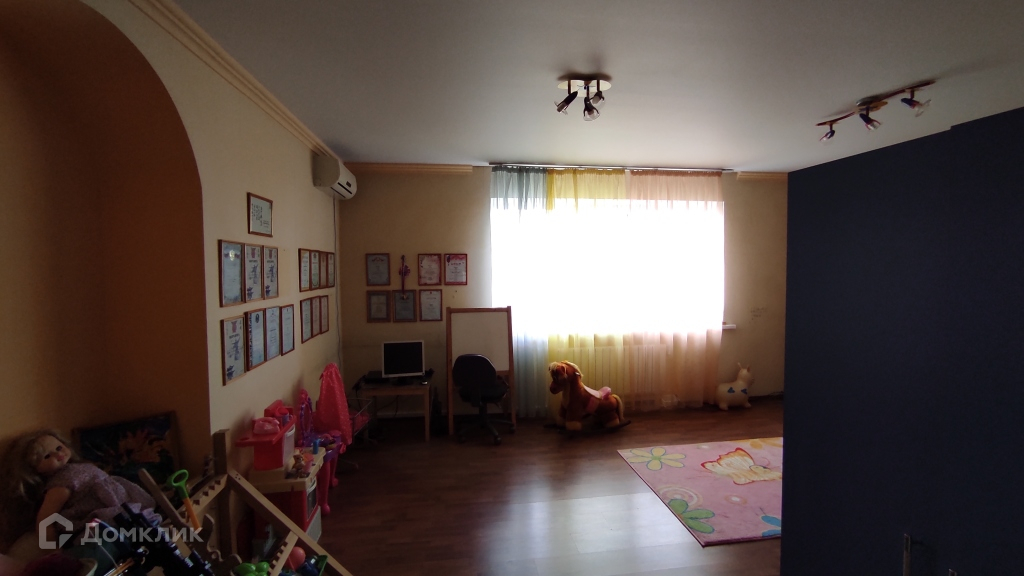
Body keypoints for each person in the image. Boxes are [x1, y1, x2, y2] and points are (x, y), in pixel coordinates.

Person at [0, 430, 158, 548]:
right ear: (33, 469)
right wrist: (52, 550)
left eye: (59, 447)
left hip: (120, 506)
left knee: (145, 527)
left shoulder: (76, 468)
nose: (58, 455)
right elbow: (45, 520)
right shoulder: (60, 484)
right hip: (101, 519)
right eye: (47, 456)